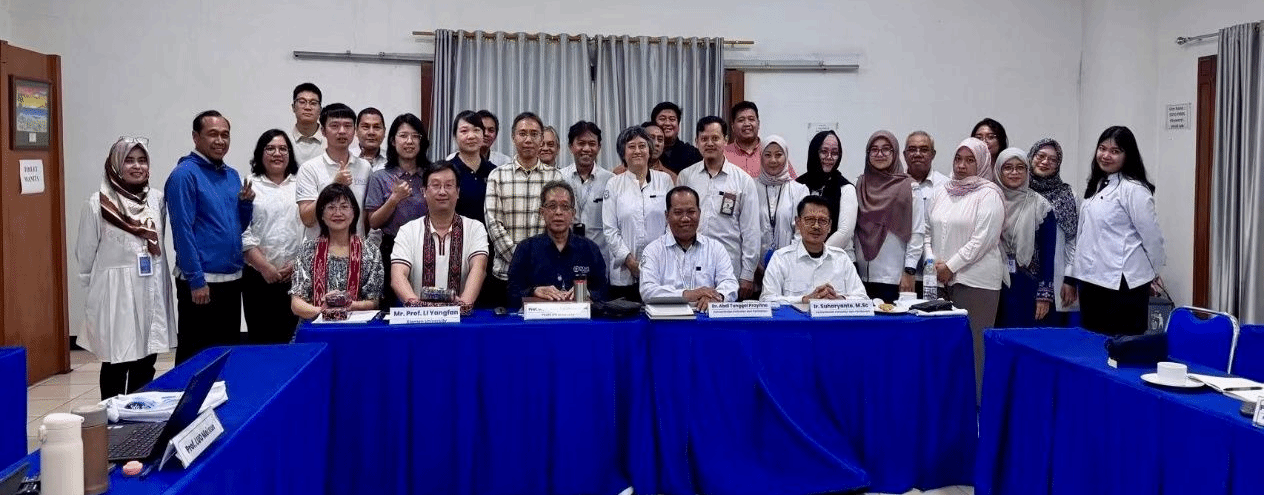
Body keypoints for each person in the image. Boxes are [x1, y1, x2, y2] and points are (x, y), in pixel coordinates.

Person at [76, 137, 176, 398]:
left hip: (151, 285)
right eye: (129, 160)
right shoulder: (98, 203)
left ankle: (139, 413)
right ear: (116, 164)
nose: (137, 166)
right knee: (116, 360)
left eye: (142, 160)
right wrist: (92, 291)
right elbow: (85, 252)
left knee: (147, 359)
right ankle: (111, 414)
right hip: (115, 293)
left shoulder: (156, 199)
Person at [165, 110, 253, 364]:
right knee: (196, 356)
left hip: (232, 278)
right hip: (202, 283)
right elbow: (182, 231)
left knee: (225, 354)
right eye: (213, 134)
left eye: (225, 135)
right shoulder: (184, 175)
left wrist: (245, 205)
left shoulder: (232, 175)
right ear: (196, 137)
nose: (220, 140)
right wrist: (196, 280)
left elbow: (236, 227)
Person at [1063, 126, 1165, 336]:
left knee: (1122, 348)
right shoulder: (1098, 184)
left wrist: (1153, 273)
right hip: (1091, 280)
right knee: (1093, 344)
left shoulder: (1134, 189)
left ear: (1128, 155)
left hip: (1123, 284)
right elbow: (1083, 235)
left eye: (1115, 151)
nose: (1106, 155)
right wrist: (1071, 277)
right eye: (1102, 148)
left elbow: (1152, 238)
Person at [928, 137, 1005, 400]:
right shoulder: (942, 191)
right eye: (958, 159)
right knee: (943, 347)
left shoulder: (989, 194)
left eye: (970, 160)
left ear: (982, 163)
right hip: (940, 280)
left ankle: (975, 410)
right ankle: (949, 406)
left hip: (976, 282)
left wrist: (951, 266)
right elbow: (927, 231)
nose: (962, 166)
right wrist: (933, 263)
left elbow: (983, 239)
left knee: (974, 350)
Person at [484, 111, 564, 308]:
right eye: (522, 133)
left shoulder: (556, 177)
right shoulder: (497, 176)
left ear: (541, 139)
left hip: (546, 276)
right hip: (505, 275)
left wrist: (539, 263)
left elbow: (560, 225)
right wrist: (521, 262)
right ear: (513, 137)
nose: (528, 139)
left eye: (534, 134)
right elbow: (493, 224)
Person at [678, 116, 763, 300]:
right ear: (697, 142)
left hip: (729, 269)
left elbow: (751, 231)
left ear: (725, 140)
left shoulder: (743, 180)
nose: (709, 143)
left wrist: (747, 274)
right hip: (691, 265)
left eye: (715, 138)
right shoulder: (686, 177)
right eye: (704, 139)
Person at [391, 162, 488, 311]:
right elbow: (398, 277)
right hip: (418, 316)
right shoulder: (408, 231)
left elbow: (479, 269)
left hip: (461, 317)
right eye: (436, 185)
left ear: (458, 192)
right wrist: (418, 307)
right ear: (424, 191)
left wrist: (462, 306)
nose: (442, 192)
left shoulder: (475, 228)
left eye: (449, 185)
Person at [241, 130, 303, 343]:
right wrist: (264, 266)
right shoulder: (249, 183)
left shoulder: (301, 184)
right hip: (257, 276)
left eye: (283, 149)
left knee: (293, 340)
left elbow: (310, 229)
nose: (277, 153)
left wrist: (297, 264)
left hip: (295, 276)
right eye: (270, 148)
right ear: (260, 153)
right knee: (261, 340)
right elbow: (242, 229)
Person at [506, 181, 609, 309]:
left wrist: (587, 293)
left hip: (579, 318)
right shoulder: (525, 249)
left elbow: (604, 291)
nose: (558, 212)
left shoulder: (590, 249)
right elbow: (512, 292)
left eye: (565, 207)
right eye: (552, 206)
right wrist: (533, 291)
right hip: (539, 318)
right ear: (542, 212)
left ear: (573, 214)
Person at [364, 113, 431, 307]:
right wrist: (394, 199)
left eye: (415, 136)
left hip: (428, 246)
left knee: (428, 303)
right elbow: (373, 222)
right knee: (394, 307)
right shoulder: (380, 177)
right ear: (393, 141)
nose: (409, 141)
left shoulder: (431, 175)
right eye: (403, 136)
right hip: (392, 247)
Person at [290, 184, 383, 319]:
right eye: (331, 207)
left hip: (356, 325)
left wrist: (349, 305)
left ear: (354, 212)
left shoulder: (370, 252)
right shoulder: (307, 251)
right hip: (315, 324)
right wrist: (324, 311)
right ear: (321, 214)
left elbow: (373, 302)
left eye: (344, 207)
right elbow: (296, 304)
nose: (338, 213)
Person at [603, 125, 673, 302]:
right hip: (624, 273)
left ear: (649, 150)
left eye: (642, 146)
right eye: (631, 146)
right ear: (623, 153)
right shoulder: (614, 184)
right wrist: (630, 262)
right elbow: (610, 229)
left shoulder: (664, 180)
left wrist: (656, 260)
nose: (637, 151)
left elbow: (671, 224)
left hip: (660, 268)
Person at [639, 186, 738, 309]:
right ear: (667, 215)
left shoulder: (715, 249)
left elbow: (730, 283)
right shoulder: (653, 251)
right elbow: (647, 291)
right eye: (678, 213)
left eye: (691, 212)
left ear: (699, 213)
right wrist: (687, 295)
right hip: (667, 318)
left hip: (706, 317)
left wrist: (717, 297)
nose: (685, 218)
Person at [854, 130, 924, 303]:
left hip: (895, 278)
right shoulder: (860, 184)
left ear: (895, 153)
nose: (880, 154)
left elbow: (917, 232)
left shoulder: (910, 187)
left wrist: (909, 271)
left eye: (886, 149)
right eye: (874, 149)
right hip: (860, 278)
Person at [992, 148, 1057, 328]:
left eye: (1020, 167)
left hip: (1027, 285)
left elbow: (1048, 253)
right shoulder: (989, 200)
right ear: (998, 171)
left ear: (1028, 171)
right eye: (1008, 167)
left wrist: (1044, 295)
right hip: (993, 282)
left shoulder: (1040, 205)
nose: (1014, 172)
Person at [760, 196, 868, 303]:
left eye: (822, 221)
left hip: (832, 315)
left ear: (830, 226)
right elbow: (766, 299)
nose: (816, 226)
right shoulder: (781, 258)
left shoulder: (841, 258)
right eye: (810, 220)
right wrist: (804, 299)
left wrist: (838, 299)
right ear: (798, 223)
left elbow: (863, 299)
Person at [295, 103, 372, 239]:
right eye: (335, 126)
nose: (342, 131)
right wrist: (334, 185)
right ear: (323, 131)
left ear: (354, 131)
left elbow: (366, 217)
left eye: (347, 126)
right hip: (319, 248)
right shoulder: (309, 168)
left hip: (356, 247)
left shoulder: (365, 167)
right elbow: (307, 219)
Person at [1027, 138, 1079, 324]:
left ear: (1058, 164)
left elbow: (1074, 240)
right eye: (1040, 156)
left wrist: (1069, 279)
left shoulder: (1068, 195)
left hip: (1056, 280)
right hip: (1021, 279)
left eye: (1053, 159)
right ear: (1031, 157)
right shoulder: (1019, 191)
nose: (1045, 162)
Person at [797, 130, 858, 258]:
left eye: (835, 153)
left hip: (838, 260)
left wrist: (817, 254)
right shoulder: (798, 185)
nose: (829, 157)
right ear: (814, 152)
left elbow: (844, 232)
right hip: (801, 259)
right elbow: (796, 226)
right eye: (824, 151)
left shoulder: (846, 188)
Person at [559, 121, 613, 261]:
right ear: (571, 147)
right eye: (581, 143)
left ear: (599, 147)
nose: (587, 149)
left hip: (599, 256)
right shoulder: (559, 178)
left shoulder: (610, 180)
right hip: (566, 255)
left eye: (592, 144)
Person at [754, 135, 809, 261]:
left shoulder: (799, 190)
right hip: (755, 264)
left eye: (778, 155)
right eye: (767, 155)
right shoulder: (751, 187)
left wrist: (789, 262)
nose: (773, 160)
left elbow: (801, 232)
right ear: (761, 157)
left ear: (786, 157)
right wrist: (754, 263)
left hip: (790, 262)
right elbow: (746, 229)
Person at [724, 101, 797, 179]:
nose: (747, 124)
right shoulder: (723, 155)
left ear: (758, 124)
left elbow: (792, 182)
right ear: (733, 126)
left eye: (751, 119)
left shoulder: (774, 152)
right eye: (741, 120)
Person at [448, 111, 497, 223]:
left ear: (482, 135)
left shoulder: (494, 172)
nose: (471, 136)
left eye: (476, 130)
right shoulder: (447, 171)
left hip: (487, 233)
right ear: (455, 136)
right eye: (464, 131)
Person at [612, 121, 678, 183]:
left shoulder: (670, 177)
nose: (656, 143)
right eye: (651, 138)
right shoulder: (618, 173)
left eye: (660, 140)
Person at [446, 109, 512, 167]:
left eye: (491, 130)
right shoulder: (451, 162)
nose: (486, 134)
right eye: (482, 129)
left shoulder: (505, 162)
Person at [652, 101, 703, 173]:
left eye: (672, 119)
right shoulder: (646, 151)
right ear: (653, 124)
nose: (667, 123)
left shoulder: (692, 154)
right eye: (662, 119)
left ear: (678, 126)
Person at [289, 82, 326, 165]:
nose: (307, 107)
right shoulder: (285, 142)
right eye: (302, 102)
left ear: (320, 109)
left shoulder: (330, 141)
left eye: (313, 103)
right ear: (293, 107)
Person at [351, 107, 388, 171]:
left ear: (384, 132)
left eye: (376, 127)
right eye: (366, 127)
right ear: (356, 131)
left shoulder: (393, 160)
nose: (371, 132)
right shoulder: (346, 158)